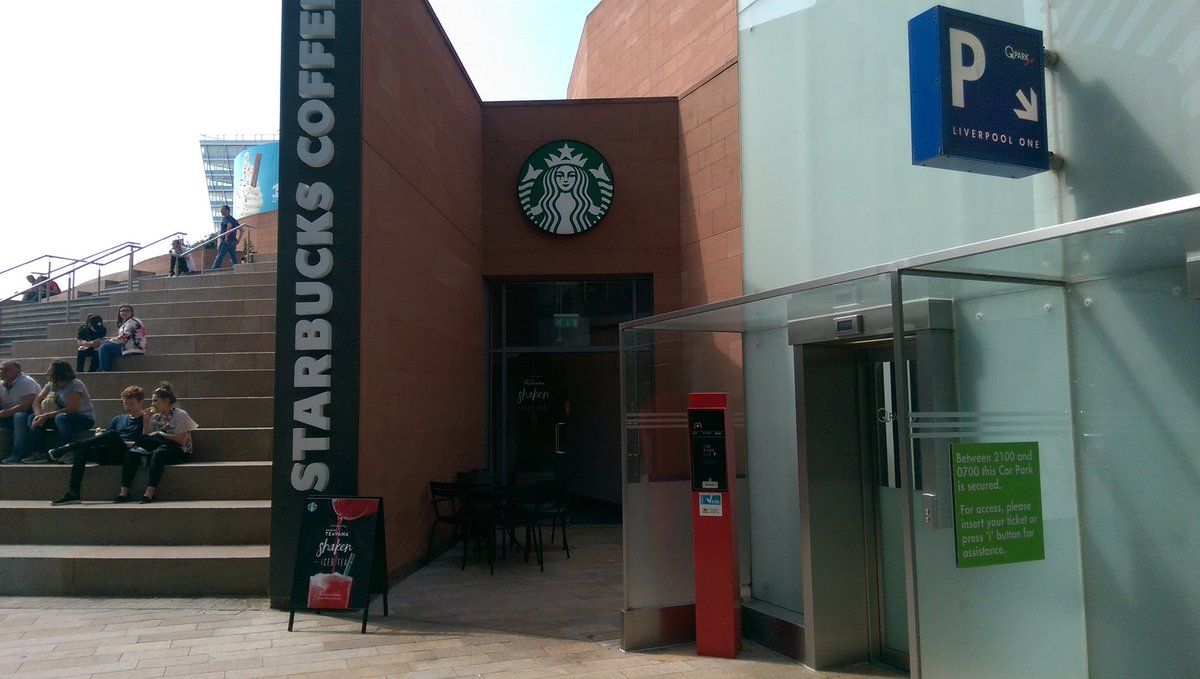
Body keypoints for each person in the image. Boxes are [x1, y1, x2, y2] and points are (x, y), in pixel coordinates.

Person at [49, 386, 160, 505]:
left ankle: (68, 447)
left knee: (112, 434)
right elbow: (106, 437)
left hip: (127, 455)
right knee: (82, 449)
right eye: (125, 403)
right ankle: (73, 492)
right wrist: (99, 436)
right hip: (109, 453)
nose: (127, 407)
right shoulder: (118, 419)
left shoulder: (146, 419)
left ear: (140, 402)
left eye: (131, 403)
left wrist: (144, 423)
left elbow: (145, 441)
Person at [121, 382, 198, 503]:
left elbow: (179, 439)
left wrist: (160, 434)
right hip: (160, 445)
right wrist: (146, 421)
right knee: (132, 452)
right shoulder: (156, 417)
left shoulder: (180, 415)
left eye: (155, 401)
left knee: (159, 453)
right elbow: (147, 437)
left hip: (179, 450)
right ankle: (124, 491)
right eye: (152, 401)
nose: (152, 404)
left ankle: (150, 492)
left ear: (166, 401)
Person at [23, 360, 96, 463]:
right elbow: (36, 401)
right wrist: (38, 415)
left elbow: (72, 408)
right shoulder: (51, 385)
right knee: (32, 418)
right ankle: (39, 453)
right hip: (59, 418)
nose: (47, 372)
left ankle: (69, 451)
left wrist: (46, 416)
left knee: (61, 417)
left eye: (50, 370)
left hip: (82, 419)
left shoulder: (75, 384)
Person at [0, 361, 39, 463]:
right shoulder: (1, 384)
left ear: (18, 371)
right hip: (7, 414)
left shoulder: (26, 382)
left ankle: (19, 453)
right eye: (1, 369)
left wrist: (3, 413)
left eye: (6, 370)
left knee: (19, 417)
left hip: (29, 413)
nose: (2, 372)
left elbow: (25, 406)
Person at [98, 304, 147, 372]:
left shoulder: (133, 322)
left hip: (133, 348)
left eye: (127, 311)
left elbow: (123, 337)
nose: (124, 312)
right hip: (127, 347)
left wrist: (108, 341)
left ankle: (103, 370)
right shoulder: (127, 322)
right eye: (122, 311)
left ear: (132, 312)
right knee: (104, 347)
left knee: (104, 347)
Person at [211, 205, 240, 270]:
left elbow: (229, 226)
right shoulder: (234, 220)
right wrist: (239, 240)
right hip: (233, 241)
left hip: (225, 241)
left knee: (220, 256)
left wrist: (226, 237)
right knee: (233, 257)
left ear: (227, 210)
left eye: (222, 209)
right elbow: (242, 230)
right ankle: (237, 269)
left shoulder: (225, 217)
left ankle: (214, 270)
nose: (220, 211)